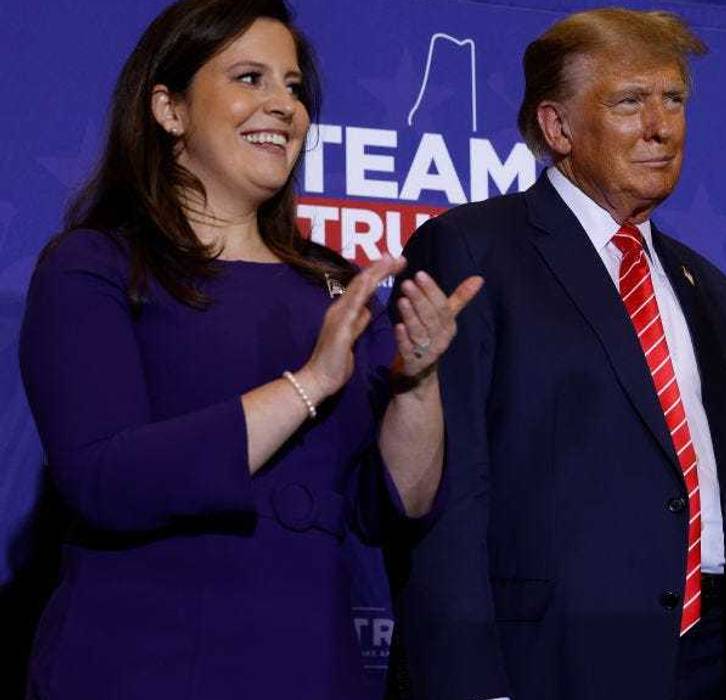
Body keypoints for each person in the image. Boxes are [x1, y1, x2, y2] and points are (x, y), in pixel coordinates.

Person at [18, 1, 480, 698]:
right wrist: (309, 383)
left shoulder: (337, 285)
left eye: (293, 87)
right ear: (169, 109)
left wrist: (418, 382)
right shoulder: (95, 266)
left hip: (313, 668)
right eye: (250, 78)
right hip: (139, 665)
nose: (283, 106)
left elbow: (394, 507)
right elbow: (104, 480)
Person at [387, 8, 726, 700]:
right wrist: (466, 679)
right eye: (629, 101)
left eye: (673, 100)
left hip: (715, 658)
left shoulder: (714, 292)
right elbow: (452, 495)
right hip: (549, 658)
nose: (660, 126)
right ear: (557, 128)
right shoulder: (473, 250)